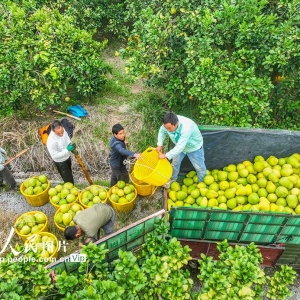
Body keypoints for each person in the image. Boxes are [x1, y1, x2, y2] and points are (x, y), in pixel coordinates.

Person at [156, 112, 207, 187]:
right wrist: (159, 144)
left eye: (169, 128)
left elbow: (180, 147)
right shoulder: (167, 124)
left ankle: (202, 184)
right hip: (179, 146)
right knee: (175, 164)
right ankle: (172, 179)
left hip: (193, 147)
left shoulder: (186, 127)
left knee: (200, 168)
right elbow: (162, 131)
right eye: (166, 127)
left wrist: (165, 155)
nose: (167, 129)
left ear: (176, 123)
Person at [46, 120, 76, 184]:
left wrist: (70, 145)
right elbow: (55, 156)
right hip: (60, 161)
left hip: (67, 157)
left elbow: (66, 138)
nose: (61, 134)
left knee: (69, 173)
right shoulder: (51, 141)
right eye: (58, 133)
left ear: (62, 127)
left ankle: (71, 186)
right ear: (53, 131)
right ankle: (70, 190)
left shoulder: (63, 130)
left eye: (62, 132)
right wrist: (67, 150)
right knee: (68, 179)